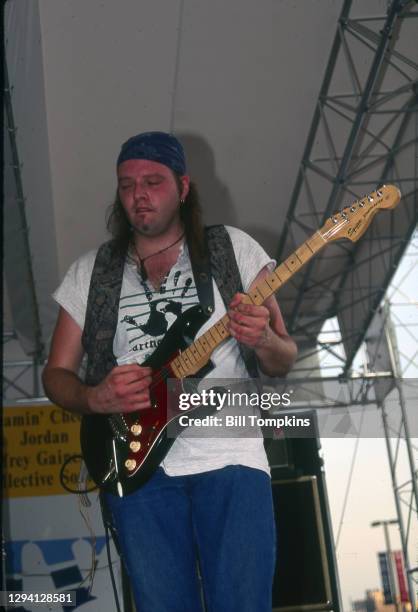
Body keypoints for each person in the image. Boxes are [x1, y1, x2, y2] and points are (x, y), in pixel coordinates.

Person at [42, 131, 297, 612]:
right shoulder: (90, 274)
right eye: (127, 184)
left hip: (232, 460)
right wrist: (94, 397)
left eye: (153, 181)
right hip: (138, 470)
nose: (139, 194)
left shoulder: (233, 250)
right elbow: (55, 374)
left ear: (183, 188)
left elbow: (284, 357)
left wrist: (262, 338)